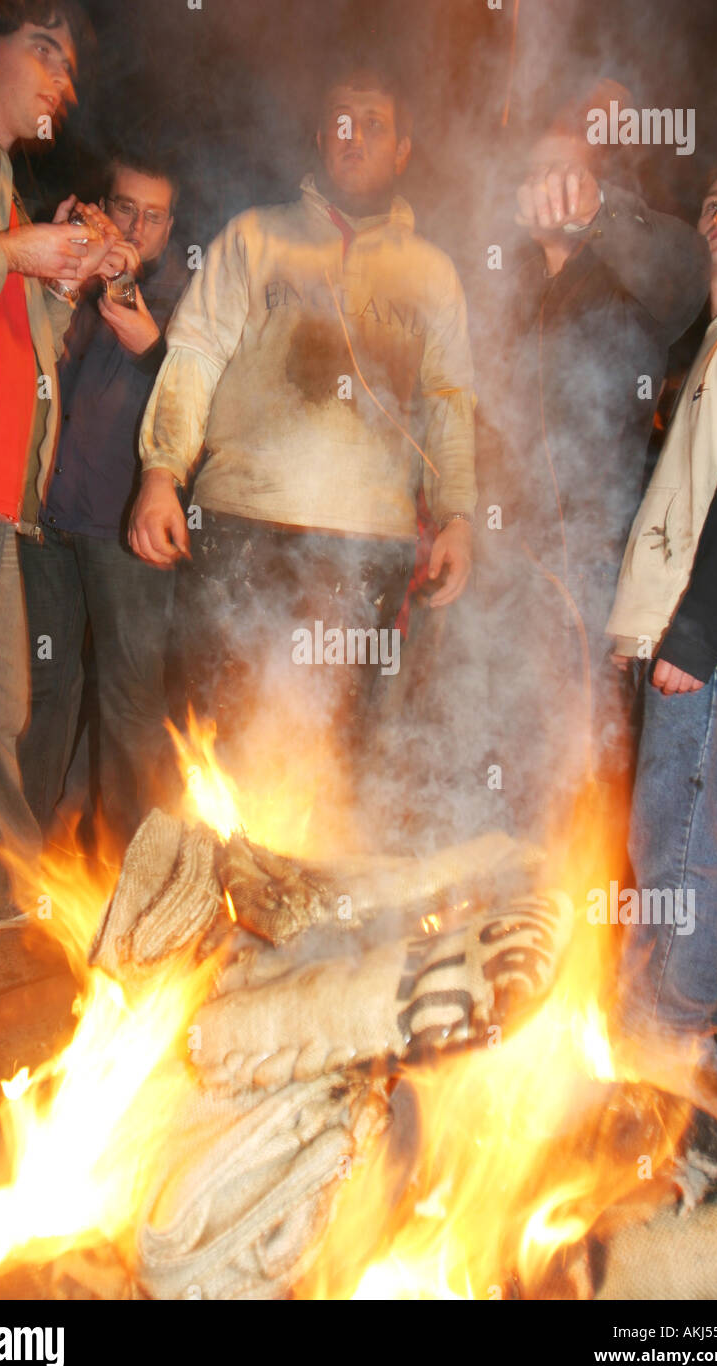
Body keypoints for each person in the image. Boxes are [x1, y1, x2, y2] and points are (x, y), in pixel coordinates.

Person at [128, 62, 476, 808]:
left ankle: (309, 917)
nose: (354, 137)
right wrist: (161, 473)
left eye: (374, 123)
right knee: (213, 736)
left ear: (403, 149)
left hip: (366, 543)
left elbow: (450, 401)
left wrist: (456, 517)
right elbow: (192, 356)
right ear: (320, 137)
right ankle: (199, 906)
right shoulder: (252, 238)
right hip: (238, 525)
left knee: (335, 748)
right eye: (341, 122)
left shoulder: (434, 274)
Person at [0, 1, 138, 933]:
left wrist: (57, 285)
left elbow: (16, 341)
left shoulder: (1, 178)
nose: (62, 80)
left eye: (70, 66)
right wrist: (14, 249)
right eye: (45, 50)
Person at [494, 86, 709, 823]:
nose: (548, 183)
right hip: (506, 555)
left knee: (586, 750)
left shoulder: (638, 270)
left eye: (570, 170)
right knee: (498, 738)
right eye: (539, 170)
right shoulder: (509, 277)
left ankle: (581, 914)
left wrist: (601, 210)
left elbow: (688, 277)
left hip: (597, 557)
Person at [608, 157, 717, 1060]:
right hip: (691, 635)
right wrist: (642, 624)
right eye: (713, 200)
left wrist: (698, 632)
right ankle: (703, 1003)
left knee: (675, 834)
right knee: (697, 824)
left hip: (715, 643)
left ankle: (665, 1047)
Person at [18, 152, 190, 852]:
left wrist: (153, 344)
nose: (137, 227)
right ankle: (19, 857)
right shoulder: (72, 273)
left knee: (129, 697)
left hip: (128, 528)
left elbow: (203, 399)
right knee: (39, 686)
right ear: (102, 206)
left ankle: (124, 865)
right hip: (48, 517)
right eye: (125, 208)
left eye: (153, 216)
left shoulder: (187, 294)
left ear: (169, 225)